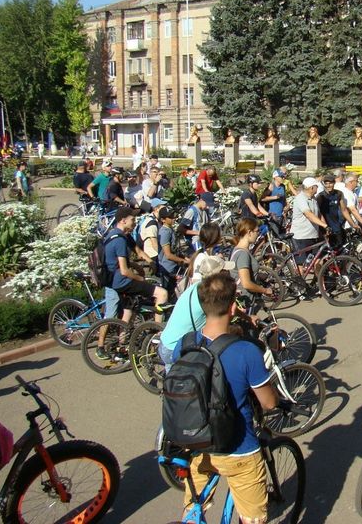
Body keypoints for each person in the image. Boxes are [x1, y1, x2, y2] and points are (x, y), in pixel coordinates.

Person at [182, 273, 278, 523]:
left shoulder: (187, 343)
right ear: (233, 307)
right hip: (238, 448)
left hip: (196, 443)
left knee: (194, 510)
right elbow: (269, 403)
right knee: (253, 518)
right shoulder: (246, 351)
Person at [103, 206, 169, 341]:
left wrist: (150, 262)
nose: (135, 222)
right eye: (132, 219)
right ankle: (157, 334)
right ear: (123, 221)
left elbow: (137, 251)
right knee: (162, 294)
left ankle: (122, 341)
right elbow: (124, 270)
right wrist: (140, 278)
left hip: (116, 282)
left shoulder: (118, 235)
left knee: (129, 308)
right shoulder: (120, 240)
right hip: (122, 281)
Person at [230, 219, 274, 307]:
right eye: (257, 231)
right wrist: (265, 290)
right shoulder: (243, 254)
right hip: (244, 302)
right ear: (249, 232)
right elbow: (246, 284)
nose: (258, 234)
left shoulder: (237, 249)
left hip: (247, 299)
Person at [290, 177, 328, 262]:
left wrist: (325, 227)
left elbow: (318, 214)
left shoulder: (313, 198)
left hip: (313, 235)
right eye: (316, 186)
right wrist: (324, 225)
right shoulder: (301, 198)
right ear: (311, 188)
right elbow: (308, 214)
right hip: (301, 237)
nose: (317, 188)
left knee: (317, 260)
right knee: (302, 263)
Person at [317, 174, 356, 248]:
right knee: (327, 250)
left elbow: (344, 210)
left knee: (340, 248)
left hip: (336, 225)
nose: (328, 185)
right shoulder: (321, 196)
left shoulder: (339, 194)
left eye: (330, 183)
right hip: (325, 227)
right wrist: (323, 227)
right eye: (326, 183)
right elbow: (317, 213)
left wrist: (352, 224)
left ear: (334, 183)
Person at [157, 206, 189, 295]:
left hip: (174, 267)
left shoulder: (170, 229)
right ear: (163, 220)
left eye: (173, 216)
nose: (173, 218)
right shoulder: (165, 232)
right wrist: (183, 261)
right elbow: (168, 255)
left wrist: (184, 258)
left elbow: (175, 249)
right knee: (170, 294)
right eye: (170, 217)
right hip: (168, 269)